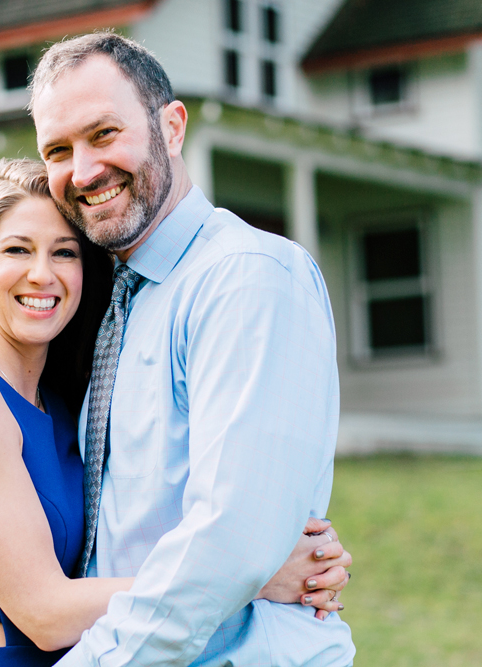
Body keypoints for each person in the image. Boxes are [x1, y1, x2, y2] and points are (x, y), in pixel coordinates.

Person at [0, 159, 351, 667]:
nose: (41, 273)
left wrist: (263, 549)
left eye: (64, 252)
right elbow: (45, 613)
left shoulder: (61, 398)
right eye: (16, 250)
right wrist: (244, 577)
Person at [29, 33, 357, 665]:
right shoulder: (105, 302)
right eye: (58, 150)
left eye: (104, 134)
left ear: (171, 126)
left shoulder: (247, 277)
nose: (84, 170)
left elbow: (230, 542)